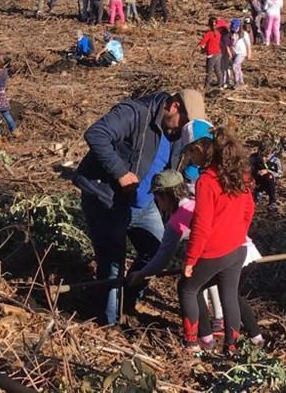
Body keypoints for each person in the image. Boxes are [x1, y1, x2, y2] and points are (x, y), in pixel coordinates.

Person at [73, 88, 207, 325]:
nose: (182, 130)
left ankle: (128, 297)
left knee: (156, 251)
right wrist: (120, 173)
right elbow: (97, 134)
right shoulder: (135, 113)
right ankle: (110, 322)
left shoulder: (177, 136)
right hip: (108, 200)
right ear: (174, 106)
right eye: (183, 123)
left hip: (144, 205)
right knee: (113, 262)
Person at [126, 168, 264, 349]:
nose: (157, 203)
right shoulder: (197, 198)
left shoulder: (177, 221)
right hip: (245, 251)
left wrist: (141, 274)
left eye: (157, 198)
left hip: (222, 252)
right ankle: (254, 339)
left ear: (166, 196)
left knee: (188, 288)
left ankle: (197, 342)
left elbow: (161, 259)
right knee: (230, 295)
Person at [178, 127, 253, 353]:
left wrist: (191, 260)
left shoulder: (206, 182)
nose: (191, 160)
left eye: (192, 155)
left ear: (201, 150)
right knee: (229, 295)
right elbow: (249, 208)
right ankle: (232, 347)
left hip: (215, 251)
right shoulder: (239, 175)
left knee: (187, 288)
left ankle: (192, 343)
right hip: (237, 248)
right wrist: (239, 232)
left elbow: (201, 225)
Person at [249, 138, 282, 211]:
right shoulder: (253, 158)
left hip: (268, 182)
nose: (263, 159)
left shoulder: (275, 161)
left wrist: (268, 171)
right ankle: (254, 195)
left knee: (269, 177)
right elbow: (247, 169)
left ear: (272, 153)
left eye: (266, 156)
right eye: (261, 155)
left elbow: (279, 173)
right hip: (255, 180)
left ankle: (272, 201)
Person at [199, 17, 223, 88]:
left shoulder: (209, 34)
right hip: (218, 53)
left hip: (211, 55)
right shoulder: (219, 33)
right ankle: (220, 84)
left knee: (209, 71)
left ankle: (206, 86)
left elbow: (202, 44)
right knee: (218, 70)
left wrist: (202, 49)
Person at [231, 18, 249, 87]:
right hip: (235, 53)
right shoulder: (233, 34)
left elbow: (248, 44)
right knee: (238, 67)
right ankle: (241, 81)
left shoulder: (244, 34)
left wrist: (249, 53)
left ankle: (237, 82)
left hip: (242, 52)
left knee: (234, 65)